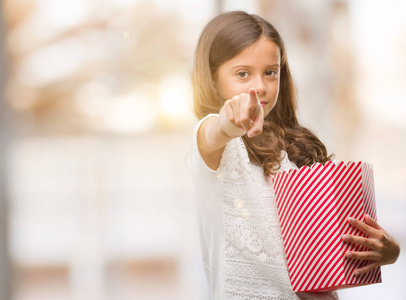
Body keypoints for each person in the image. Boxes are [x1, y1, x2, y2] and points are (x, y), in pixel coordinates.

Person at [191, 10, 400, 300]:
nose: (260, 87)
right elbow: (216, 130)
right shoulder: (213, 141)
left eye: (270, 72)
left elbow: (326, 249)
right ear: (213, 80)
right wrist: (229, 121)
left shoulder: (290, 151)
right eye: (242, 74)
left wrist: (386, 251)